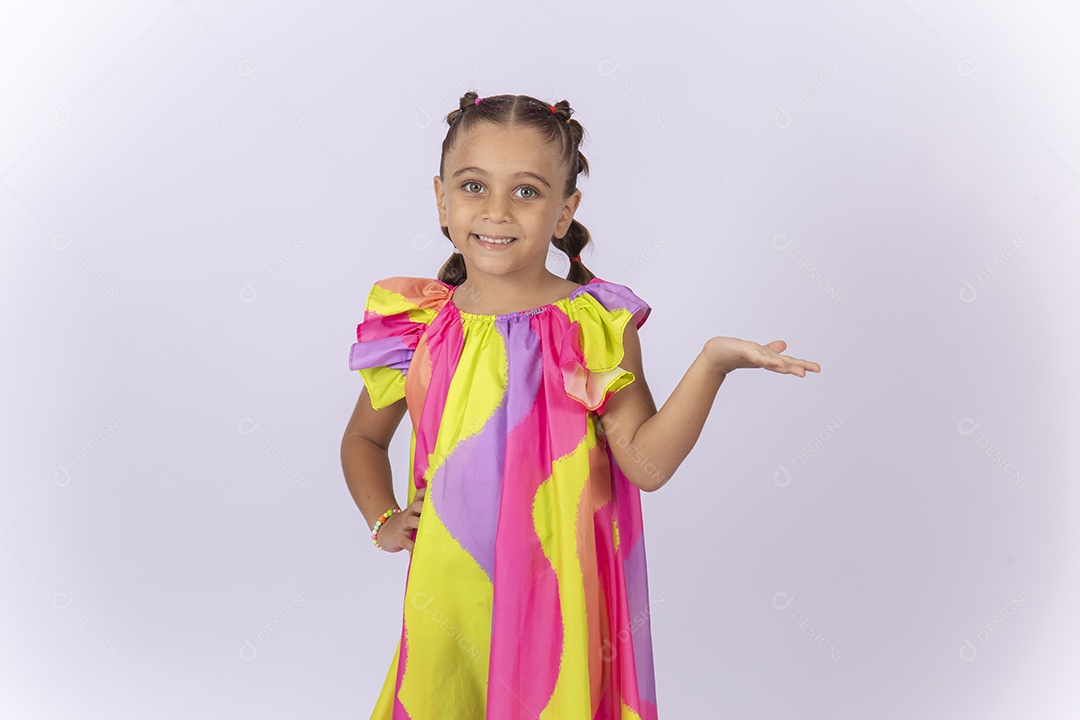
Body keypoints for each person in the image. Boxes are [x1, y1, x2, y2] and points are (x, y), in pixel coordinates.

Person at [340, 91, 821, 720]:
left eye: (527, 192)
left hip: (559, 601)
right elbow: (363, 441)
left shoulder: (594, 325)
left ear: (565, 210)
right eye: (473, 186)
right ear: (440, 199)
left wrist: (712, 363)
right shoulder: (421, 325)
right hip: (449, 597)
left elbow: (645, 467)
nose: (497, 211)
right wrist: (385, 523)